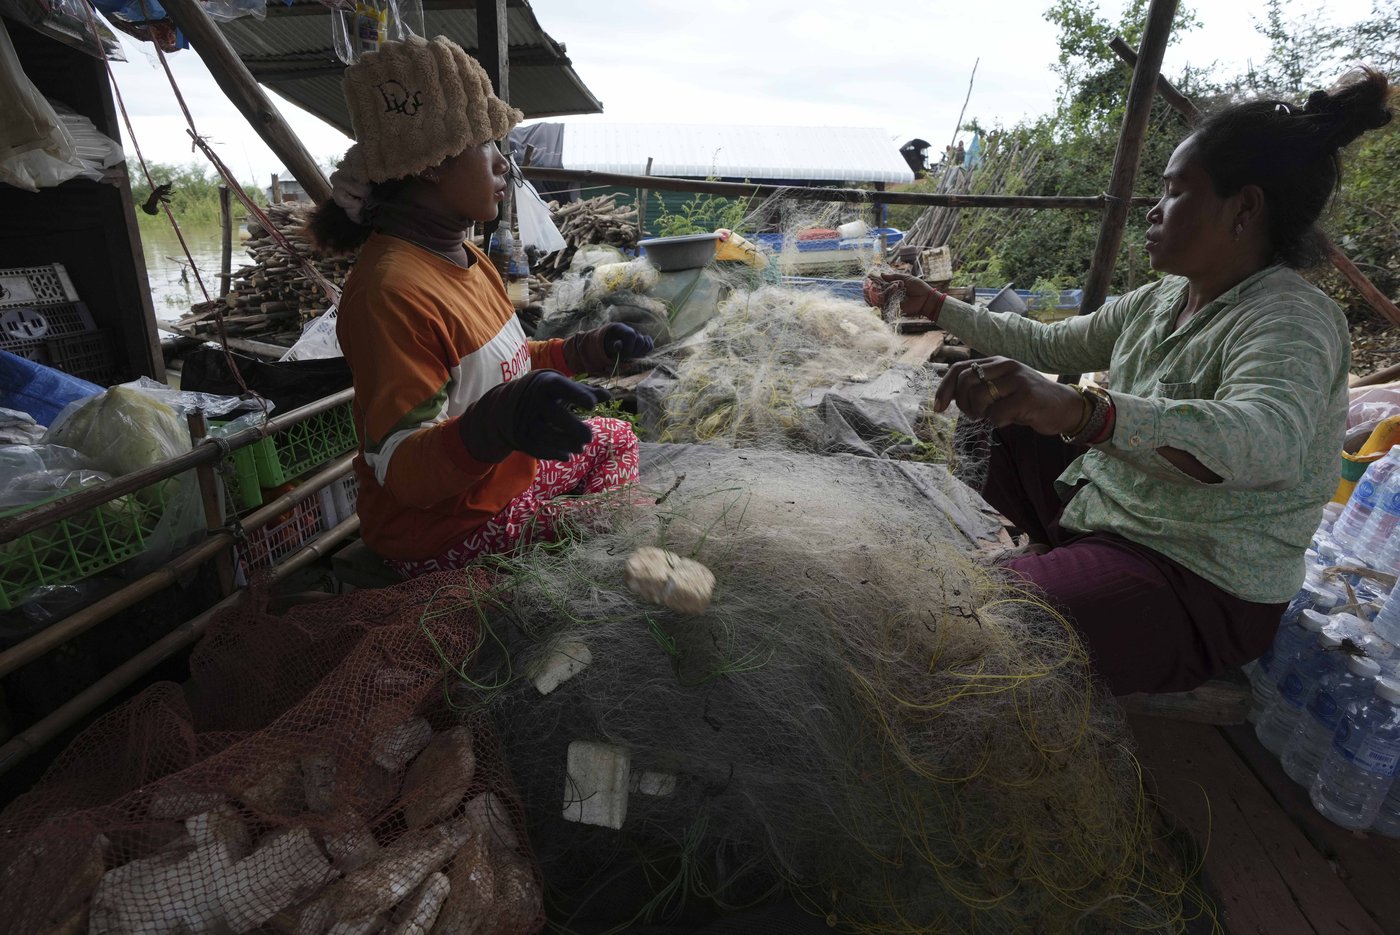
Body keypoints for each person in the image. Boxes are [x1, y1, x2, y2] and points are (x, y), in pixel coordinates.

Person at [866, 67, 1393, 695]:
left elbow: (1265, 441)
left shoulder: (1290, 318)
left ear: (1244, 208)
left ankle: (1066, 586)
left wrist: (1087, 412)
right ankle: (1060, 559)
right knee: (1000, 419)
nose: (1154, 209)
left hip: (1197, 577)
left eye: (1174, 192)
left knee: (981, 621)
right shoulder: (1162, 299)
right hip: (1117, 516)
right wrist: (935, 306)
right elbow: (1046, 342)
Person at [306, 35, 653, 576]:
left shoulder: (466, 254)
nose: (503, 164)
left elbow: (508, 364)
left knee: (612, 437)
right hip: (441, 530)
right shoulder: (390, 291)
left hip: (495, 484)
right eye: (488, 144)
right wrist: (494, 424)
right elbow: (403, 469)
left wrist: (587, 350)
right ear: (430, 164)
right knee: (599, 530)